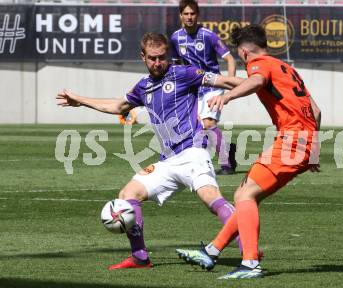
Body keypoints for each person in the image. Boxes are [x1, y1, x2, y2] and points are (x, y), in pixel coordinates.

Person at [56, 32, 244, 270]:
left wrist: (259, 82)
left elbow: (225, 81)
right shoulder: (144, 86)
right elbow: (119, 106)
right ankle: (140, 256)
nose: (158, 63)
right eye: (152, 58)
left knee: (211, 199)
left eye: (162, 57)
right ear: (143, 57)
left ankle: (249, 253)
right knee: (127, 195)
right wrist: (80, 100)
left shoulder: (184, 73)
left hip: (193, 153)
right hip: (167, 161)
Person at [175, 25, 321, 279]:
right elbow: (316, 111)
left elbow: (256, 81)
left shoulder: (260, 64)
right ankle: (212, 250)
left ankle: (251, 263)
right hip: (304, 142)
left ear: (243, 52)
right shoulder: (285, 68)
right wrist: (314, 151)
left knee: (244, 195)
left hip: (292, 141)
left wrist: (227, 97)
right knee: (247, 196)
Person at [170, 0, 237, 175]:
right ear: (180, 15)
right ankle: (225, 150)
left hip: (213, 85)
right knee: (196, 128)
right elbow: (176, 64)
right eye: (186, 14)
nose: (189, 17)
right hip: (193, 88)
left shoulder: (209, 35)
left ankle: (226, 165)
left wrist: (229, 84)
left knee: (208, 124)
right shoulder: (176, 38)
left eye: (192, 14)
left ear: (197, 15)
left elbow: (230, 59)